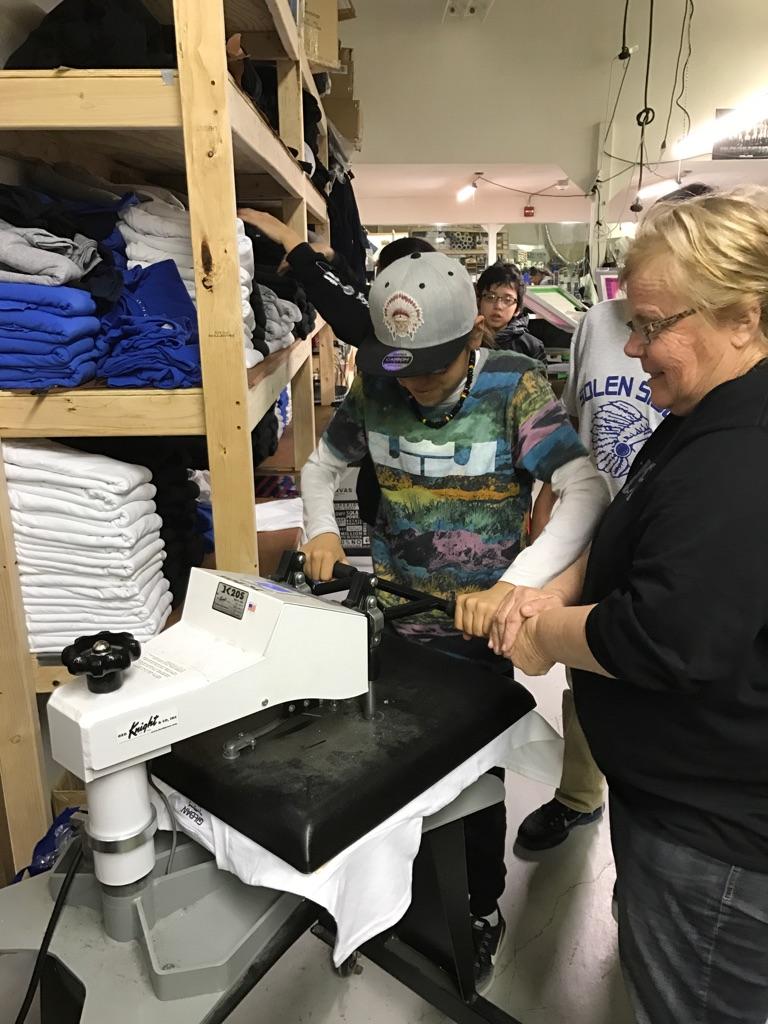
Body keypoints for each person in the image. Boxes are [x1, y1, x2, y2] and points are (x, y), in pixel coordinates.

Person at [300, 249, 609, 992]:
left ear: (474, 335)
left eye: (431, 370)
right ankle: (386, 899)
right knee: (383, 766)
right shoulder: (377, 383)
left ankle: (479, 909)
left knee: (474, 786)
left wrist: (512, 587)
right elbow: (320, 468)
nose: (413, 385)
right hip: (393, 615)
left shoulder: (511, 385)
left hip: (475, 633)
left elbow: (585, 488)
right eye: (402, 369)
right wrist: (319, 529)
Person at [498, 189, 768, 1023]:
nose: (638, 349)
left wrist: (541, 630)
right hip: (679, 811)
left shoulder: (741, 456)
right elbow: (629, 518)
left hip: (715, 838)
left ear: (745, 317)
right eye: (632, 327)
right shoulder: (704, 409)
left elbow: (662, 638)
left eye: (654, 327)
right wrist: (559, 585)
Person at [514, 182, 714, 852]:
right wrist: (547, 503)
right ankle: (580, 795)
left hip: (679, 535)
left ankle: (658, 838)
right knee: (587, 669)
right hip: (596, 527)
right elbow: (574, 422)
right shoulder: (600, 324)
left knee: (655, 676)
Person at [475, 262, 546, 362]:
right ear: (479, 301)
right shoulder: (467, 342)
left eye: (507, 300)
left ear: (517, 309)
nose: (498, 306)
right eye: (490, 297)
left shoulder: (531, 347)